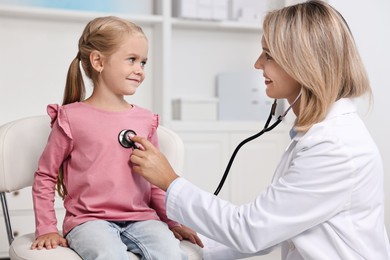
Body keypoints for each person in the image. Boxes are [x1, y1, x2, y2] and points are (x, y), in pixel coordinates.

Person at [129, 1, 390, 259]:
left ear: (303, 63)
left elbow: (252, 229)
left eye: (268, 55)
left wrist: (170, 181)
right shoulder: (318, 136)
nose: (257, 64)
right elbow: (274, 228)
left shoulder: (335, 148)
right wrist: (194, 246)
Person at [31, 16, 203, 260]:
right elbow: (45, 175)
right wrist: (47, 227)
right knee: (110, 255)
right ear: (98, 61)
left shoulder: (145, 120)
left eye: (143, 62)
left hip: (142, 219)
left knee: (171, 254)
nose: (139, 70)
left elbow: (155, 181)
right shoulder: (70, 118)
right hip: (89, 222)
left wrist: (172, 221)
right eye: (132, 60)